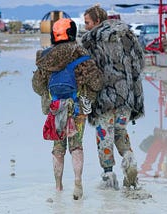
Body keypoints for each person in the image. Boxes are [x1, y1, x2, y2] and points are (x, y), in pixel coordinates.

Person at [32, 18, 104, 200]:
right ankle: (78, 182)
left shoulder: (45, 57)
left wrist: (50, 97)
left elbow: (37, 86)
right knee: (76, 145)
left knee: (58, 148)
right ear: (72, 33)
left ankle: (58, 187)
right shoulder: (81, 54)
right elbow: (97, 82)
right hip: (77, 108)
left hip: (55, 108)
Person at [81, 5, 145, 189]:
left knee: (104, 135)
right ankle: (130, 161)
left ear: (97, 21)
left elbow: (86, 73)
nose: (85, 27)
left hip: (103, 98)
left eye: (87, 23)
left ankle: (109, 175)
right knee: (120, 132)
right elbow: (139, 63)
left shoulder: (90, 41)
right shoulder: (127, 35)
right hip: (125, 96)